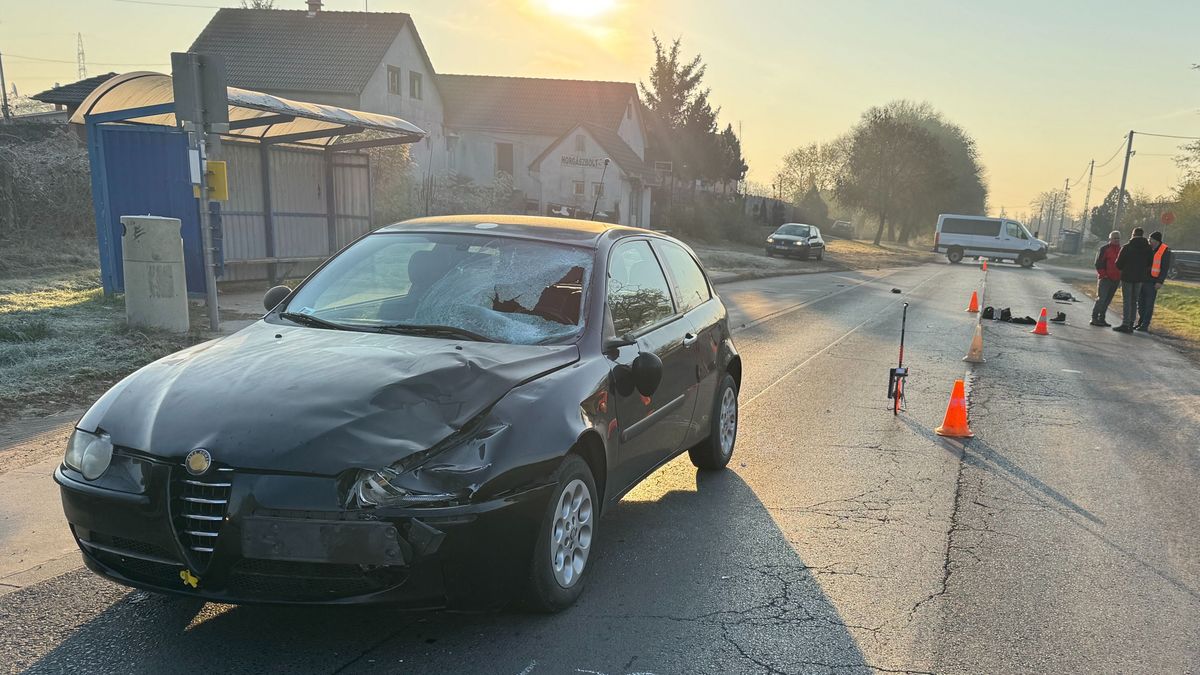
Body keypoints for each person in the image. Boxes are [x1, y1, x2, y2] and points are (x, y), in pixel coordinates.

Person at [1113, 227, 1152, 333]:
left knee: (1127, 301)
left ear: (1133, 234)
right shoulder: (1148, 248)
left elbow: (1118, 264)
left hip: (1127, 277)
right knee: (1134, 301)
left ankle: (1125, 324)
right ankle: (1131, 323)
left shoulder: (1127, 247)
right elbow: (1150, 263)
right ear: (1142, 235)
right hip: (1140, 278)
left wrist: (1125, 267)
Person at [1136, 231, 1172, 332]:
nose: (1149, 241)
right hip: (1143, 279)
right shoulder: (1148, 248)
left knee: (1149, 304)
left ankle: (1145, 325)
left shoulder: (1165, 251)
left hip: (1153, 282)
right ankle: (1140, 322)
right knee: (1140, 303)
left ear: (1156, 241)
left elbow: (1164, 268)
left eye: (1150, 239)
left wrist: (1160, 281)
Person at [1090, 230, 1122, 327]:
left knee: (1108, 300)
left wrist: (1120, 278)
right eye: (1114, 238)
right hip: (1105, 279)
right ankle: (1094, 318)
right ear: (1110, 239)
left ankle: (1102, 318)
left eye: (1118, 238)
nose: (1116, 240)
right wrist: (1104, 275)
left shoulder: (1121, 250)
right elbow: (1098, 263)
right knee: (1101, 299)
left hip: (1115, 280)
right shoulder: (1104, 249)